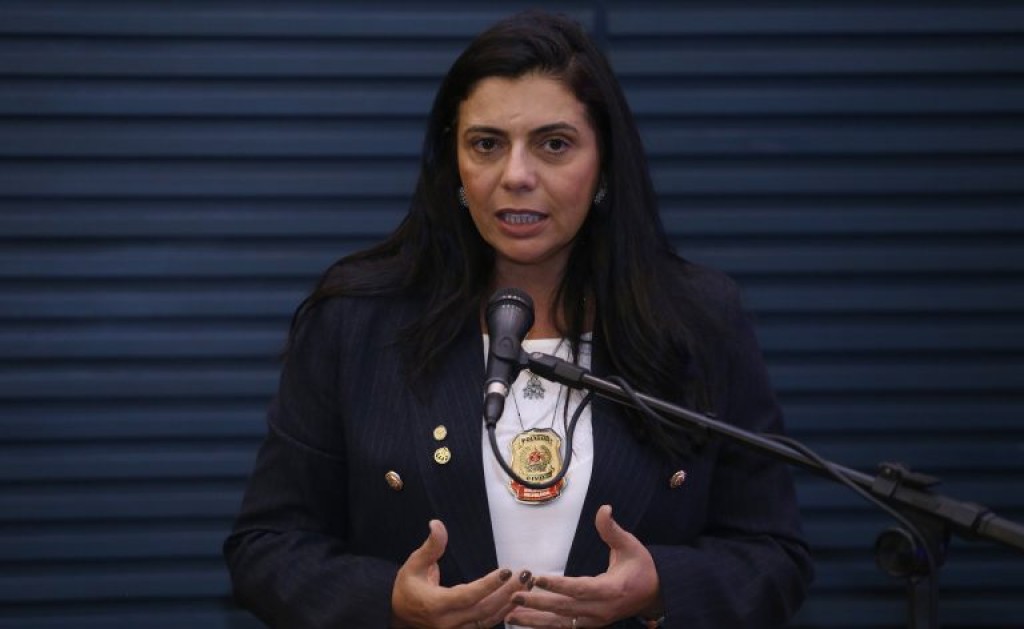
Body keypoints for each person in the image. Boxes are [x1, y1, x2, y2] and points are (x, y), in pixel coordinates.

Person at [223, 9, 813, 629]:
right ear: (454, 163)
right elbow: (266, 547)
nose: (517, 176)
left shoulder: (697, 320)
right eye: (487, 145)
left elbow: (774, 555)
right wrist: (390, 602)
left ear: (605, 162)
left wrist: (660, 588)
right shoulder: (357, 321)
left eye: (554, 144)